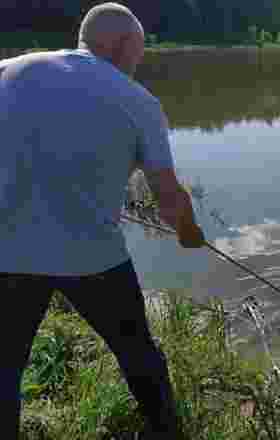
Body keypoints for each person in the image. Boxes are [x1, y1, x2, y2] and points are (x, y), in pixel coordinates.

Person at [0, 3, 204, 439]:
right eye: (138, 54)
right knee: (139, 356)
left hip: (6, 254)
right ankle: (166, 431)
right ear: (124, 45)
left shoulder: (7, 71)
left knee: (4, 368)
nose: (136, 65)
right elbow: (168, 197)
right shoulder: (138, 100)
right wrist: (189, 232)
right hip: (93, 258)